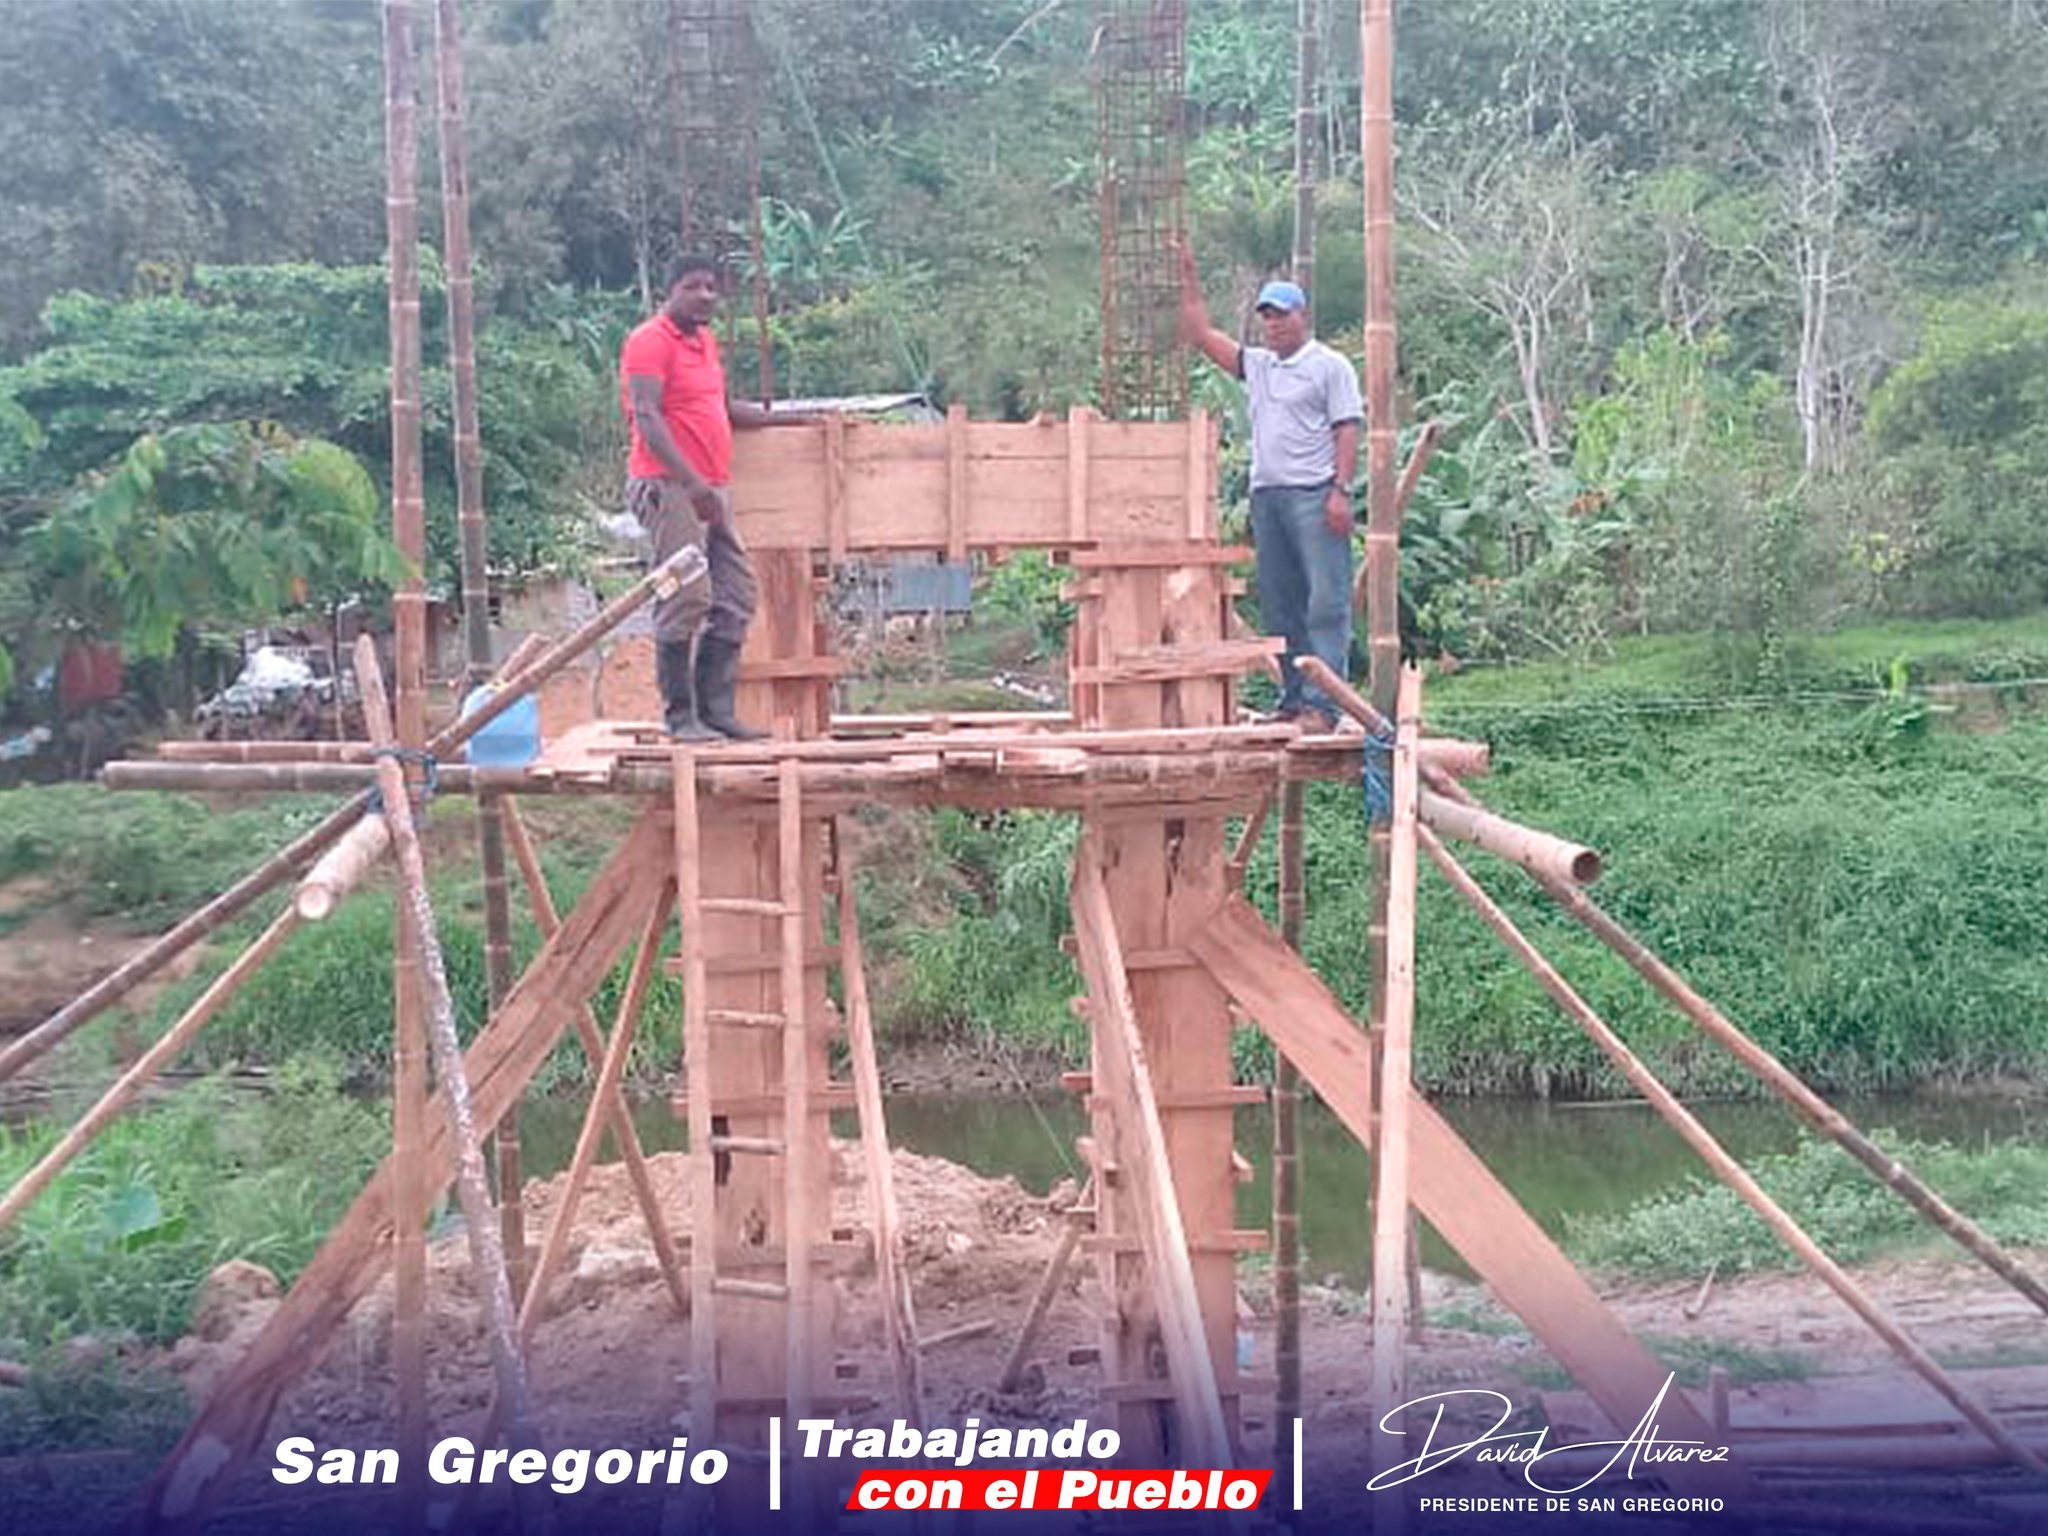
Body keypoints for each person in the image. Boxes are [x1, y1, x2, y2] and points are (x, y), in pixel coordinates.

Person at [619, 253, 815, 740]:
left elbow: (723, 409)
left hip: (711, 488)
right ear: (670, 291)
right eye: (693, 286)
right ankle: (680, 717)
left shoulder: (705, 343)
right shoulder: (649, 341)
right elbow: (647, 416)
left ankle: (716, 712)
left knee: (737, 595)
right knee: (686, 593)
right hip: (669, 486)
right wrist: (692, 484)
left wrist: (790, 419)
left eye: (711, 287)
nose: (705, 295)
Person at [1176, 242, 1363, 731]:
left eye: (1281, 315)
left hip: (1314, 495)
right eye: (1267, 317)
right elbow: (1201, 334)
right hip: (1268, 497)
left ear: (1302, 316)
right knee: (1282, 606)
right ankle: (1294, 700)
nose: (1274, 325)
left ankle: (1324, 706)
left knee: (1325, 602)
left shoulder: (1330, 366)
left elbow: (1347, 428)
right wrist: (1188, 275)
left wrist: (1341, 491)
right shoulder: (1258, 366)